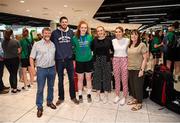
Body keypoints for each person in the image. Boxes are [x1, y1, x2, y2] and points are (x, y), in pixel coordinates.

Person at [50, 16, 79, 106]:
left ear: (67, 23)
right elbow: (51, 45)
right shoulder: (55, 33)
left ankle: (73, 97)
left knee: (71, 79)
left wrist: (73, 56)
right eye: (63, 22)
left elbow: (74, 45)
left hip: (69, 60)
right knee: (60, 80)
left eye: (66, 22)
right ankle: (61, 98)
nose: (64, 23)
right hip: (59, 60)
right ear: (60, 23)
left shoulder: (71, 32)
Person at [30, 27, 56, 118]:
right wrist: (33, 69)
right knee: (40, 89)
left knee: (51, 87)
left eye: (49, 33)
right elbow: (31, 57)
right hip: (41, 70)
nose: (47, 35)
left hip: (52, 69)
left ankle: (49, 102)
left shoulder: (53, 44)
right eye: (46, 33)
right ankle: (39, 106)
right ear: (42, 34)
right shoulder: (37, 44)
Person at [72, 20, 93, 103]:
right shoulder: (74, 38)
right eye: (82, 27)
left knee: (88, 78)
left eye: (85, 27)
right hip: (79, 61)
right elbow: (73, 50)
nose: (83, 29)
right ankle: (80, 94)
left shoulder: (90, 37)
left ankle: (89, 94)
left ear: (86, 28)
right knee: (80, 79)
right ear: (79, 28)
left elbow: (92, 48)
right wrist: (73, 60)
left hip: (88, 60)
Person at [92, 26, 114, 104]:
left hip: (106, 60)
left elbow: (112, 50)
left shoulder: (109, 40)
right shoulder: (94, 40)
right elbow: (92, 49)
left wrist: (110, 57)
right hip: (97, 60)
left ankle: (106, 96)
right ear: (97, 32)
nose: (100, 32)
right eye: (98, 31)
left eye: (101, 30)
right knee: (97, 77)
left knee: (106, 77)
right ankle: (98, 95)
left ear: (104, 31)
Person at [127, 30, 148, 111]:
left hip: (138, 69)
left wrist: (142, 70)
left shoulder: (142, 45)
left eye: (135, 35)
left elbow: (145, 58)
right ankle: (135, 99)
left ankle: (139, 103)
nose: (133, 36)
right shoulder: (130, 45)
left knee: (138, 86)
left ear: (138, 36)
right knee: (132, 86)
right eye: (132, 34)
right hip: (130, 68)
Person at [112, 26, 129, 105]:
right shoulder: (113, 41)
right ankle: (117, 95)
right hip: (115, 60)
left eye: (119, 31)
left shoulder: (127, 40)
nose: (118, 33)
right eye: (116, 32)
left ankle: (125, 97)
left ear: (122, 32)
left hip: (124, 60)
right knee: (116, 79)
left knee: (124, 79)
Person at [2, 29, 21, 93]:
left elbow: (3, 50)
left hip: (6, 60)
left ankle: (13, 87)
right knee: (14, 73)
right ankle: (14, 89)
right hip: (14, 59)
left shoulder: (3, 42)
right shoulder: (16, 41)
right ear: (12, 34)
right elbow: (19, 51)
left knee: (11, 73)